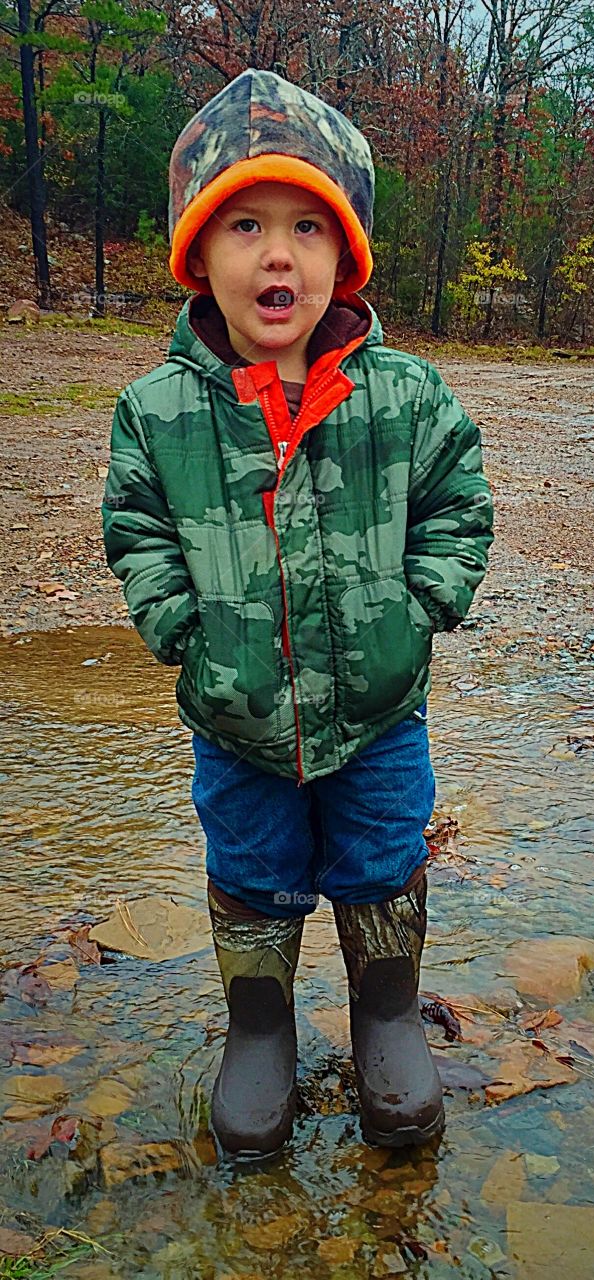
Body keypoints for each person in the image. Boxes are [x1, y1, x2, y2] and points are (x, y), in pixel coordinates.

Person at [101, 67, 494, 1160]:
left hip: (379, 709)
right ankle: (260, 1030)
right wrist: (179, 627)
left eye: (310, 228)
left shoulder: (408, 396)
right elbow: (133, 527)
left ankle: (384, 1016)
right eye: (246, 224)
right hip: (235, 718)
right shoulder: (158, 409)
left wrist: (422, 605)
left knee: (378, 856)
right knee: (253, 864)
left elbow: (460, 501)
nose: (280, 254)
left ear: (345, 256)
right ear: (199, 256)